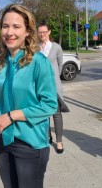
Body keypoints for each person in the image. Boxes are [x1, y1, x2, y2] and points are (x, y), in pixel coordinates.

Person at [0, 4, 58, 188]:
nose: (9, 32)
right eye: (5, 26)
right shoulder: (0, 62)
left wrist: (11, 116)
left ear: (27, 32)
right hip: (4, 139)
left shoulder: (39, 62)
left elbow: (50, 105)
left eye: (16, 27)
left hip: (29, 142)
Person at [38, 22, 69, 154]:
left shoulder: (56, 47)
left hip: (54, 86)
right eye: (40, 32)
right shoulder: (35, 48)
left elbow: (61, 64)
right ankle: (47, 136)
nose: (42, 34)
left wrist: (54, 77)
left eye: (44, 32)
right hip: (40, 87)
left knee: (56, 114)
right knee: (44, 114)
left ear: (49, 32)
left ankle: (59, 140)